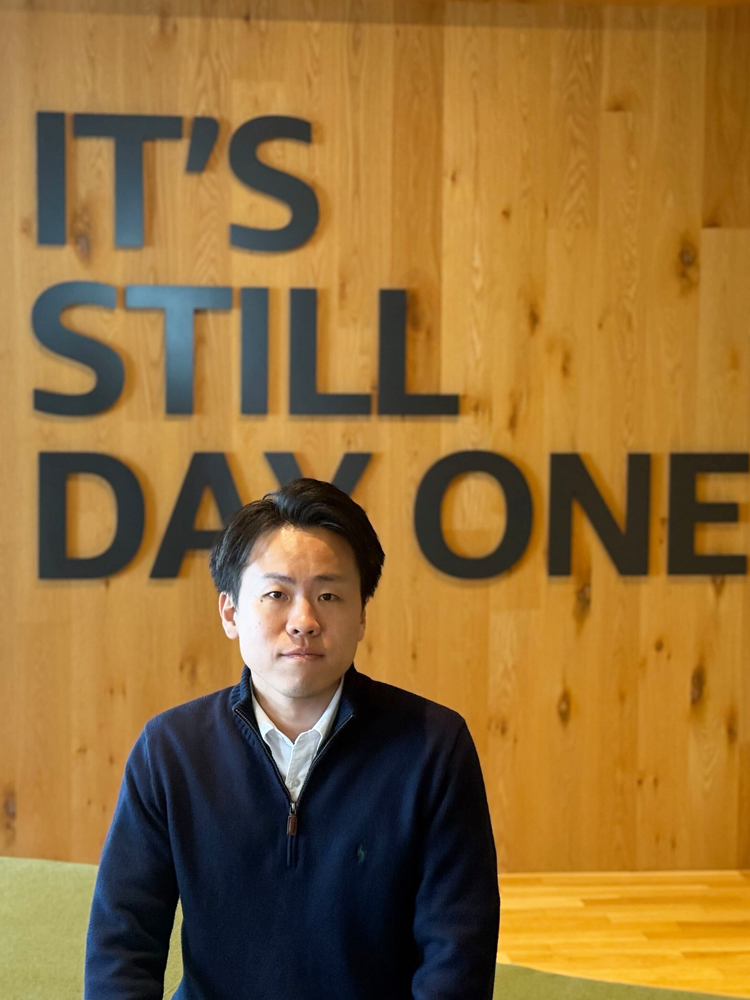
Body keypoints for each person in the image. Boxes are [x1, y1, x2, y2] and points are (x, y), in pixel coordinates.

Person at [84, 478, 500, 1000]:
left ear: (362, 614)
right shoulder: (170, 749)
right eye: (276, 594)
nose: (304, 621)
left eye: (329, 595)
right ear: (230, 612)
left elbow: (457, 952)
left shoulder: (434, 747)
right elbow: (122, 946)